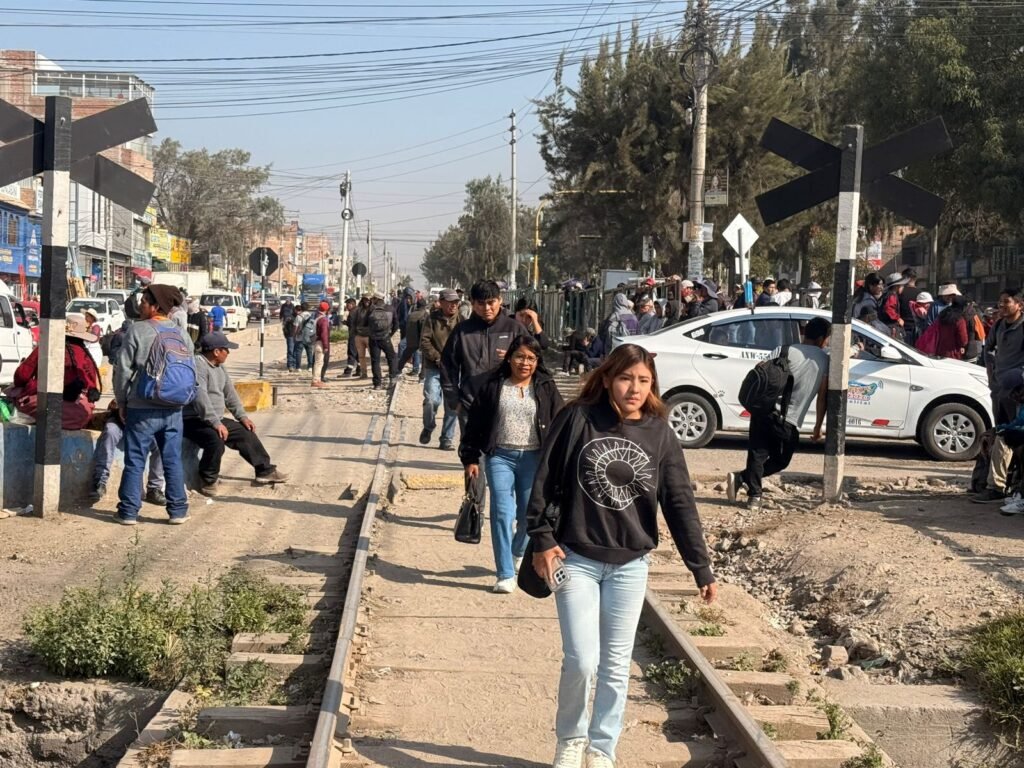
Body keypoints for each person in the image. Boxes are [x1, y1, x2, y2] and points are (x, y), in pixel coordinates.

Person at [526, 344, 716, 768]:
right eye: (626, 378)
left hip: (631, 565)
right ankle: (570, 739)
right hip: (575, 558)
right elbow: (544, 480)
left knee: (615, 665)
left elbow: (679, 502)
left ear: (653, 385)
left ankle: (602, 748)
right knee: (581, 660)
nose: (634, 389)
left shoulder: (660, 433)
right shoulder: (578, 418)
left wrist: (700, 566)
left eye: (644, 381)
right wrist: (541, 538)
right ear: (608, 378)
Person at [460, 335, 565, 593]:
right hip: (500, 457)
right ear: (509, 358)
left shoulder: (545, 386)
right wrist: (471, 457)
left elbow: (560, 422)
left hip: (534, 459)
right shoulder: (493, 385)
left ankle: (518, 551)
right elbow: (475, 423)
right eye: (519, 357)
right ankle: (505, 573)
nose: (524, 363)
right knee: (502, 513)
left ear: (537, 361)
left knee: (530, 516)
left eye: (531, 358)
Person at [726, 317, 831, 512]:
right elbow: (822, 397)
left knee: (758, 453)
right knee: (781, 459)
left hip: (763, 408)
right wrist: (818, 427)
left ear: (805, 334)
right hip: (787, 419)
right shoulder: (825, 360)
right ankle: (743, 478)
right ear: (822, 338)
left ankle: (754, 497)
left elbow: (760, 371)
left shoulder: (784, 350)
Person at [112, 284, 192, 525]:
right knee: (172, 460)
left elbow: (123, 370)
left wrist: (122, 401)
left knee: (135, 460)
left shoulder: (138, 330)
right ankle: (178, 511)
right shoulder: (181, 333)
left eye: (144, 301)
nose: (140, 305)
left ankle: (128, 512)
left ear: (156, 306)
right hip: (174, 408)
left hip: (142, 407)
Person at [183, 331, 288, 496]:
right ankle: (208, 480)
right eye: (226, 349)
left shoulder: (219, 367)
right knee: (215, 440)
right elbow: (200, 398)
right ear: (216, 351)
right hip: (194, 419)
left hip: (214, 419)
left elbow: (230, 394)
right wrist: (216, 423)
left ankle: (264, 470)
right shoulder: (198, 366)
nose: (228, 353)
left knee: (245, 432)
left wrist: (242, 416)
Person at [441, 279, 530, 429]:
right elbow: (448, 365)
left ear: (500, 300)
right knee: (472, 445)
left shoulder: (515, 329)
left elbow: (534, 362)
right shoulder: (462, 331)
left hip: (508, 406)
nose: (487, 308)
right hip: (470, 406)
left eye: (491, 302)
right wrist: (454, 399)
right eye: (481, 303)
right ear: (472, 303)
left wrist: (514, 357)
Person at [6, 313, 102, 430]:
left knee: (15, 393)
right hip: (79, 416)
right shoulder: (86, 356)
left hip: (46, 410)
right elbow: (93, 390)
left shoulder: (46, 348)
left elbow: (21, 376)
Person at [975, 289, 1024, 503]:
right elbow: (988, 351)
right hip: (1000, 392)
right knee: (1000, 434)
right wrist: (992, 377)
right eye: (1000, 302)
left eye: (1007, 302)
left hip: (1018, 394)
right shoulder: (998, 326)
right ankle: (997, 485)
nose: (1002, 306)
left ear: (1019, 305)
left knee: (1016, 438)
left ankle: (1011, 486)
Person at [91, 400, 165, 505]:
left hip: (143, 420)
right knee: (110, 432)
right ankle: (99, 481)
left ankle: (154, 489)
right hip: (120, 418)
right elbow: (115, 402)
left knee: (160, 442)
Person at [420, 288, 460, 450]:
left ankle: (446, 438)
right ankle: (428, 427)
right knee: (431, 400)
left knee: (452, 406)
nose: (453, 305)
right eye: (450, 302)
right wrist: (437, 357)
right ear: (441, 302)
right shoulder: (431, 319)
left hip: (454, 369)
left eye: (456, 302)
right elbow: (424, 341)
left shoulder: (462, 321)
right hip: (434, 367)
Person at [367, 295, 398, 391]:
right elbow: (396, 325)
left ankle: (377, 384)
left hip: (373, 339)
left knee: (375, 361)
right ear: (383, 299)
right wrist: (390, 334)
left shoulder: (371, 309)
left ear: (375, 299)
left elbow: (365, 324)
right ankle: (392, 379)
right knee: (392, 357)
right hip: (385, 338)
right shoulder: (391, 308)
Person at [398, 297, 428, 376]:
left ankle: (398, 370)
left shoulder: (411, 314)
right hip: (421, 339)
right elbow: (423, 328)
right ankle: (422, 375)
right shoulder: (425, 315)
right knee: (424, 358)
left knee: (405, 355)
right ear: (425, 306)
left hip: (411, 339)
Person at [879, 272, 909, 337]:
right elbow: (888, 309)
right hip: (890, 327)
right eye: (902, 285)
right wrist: (898, 319)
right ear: (896, 286)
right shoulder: (892, 296)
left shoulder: (887, 295)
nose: (903, 287)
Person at [351, 294, 374, 379]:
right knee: (361, 356)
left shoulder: (373, 310)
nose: (367, 301)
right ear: (362, 300)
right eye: (365, 300)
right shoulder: (358, 310)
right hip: (359, 336)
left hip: (370, 337)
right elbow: (353, 323)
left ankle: (376, 373)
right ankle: (364, 373)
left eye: (368, 300)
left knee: (373, 356)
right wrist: (353, 334)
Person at [312, 300, 331, 388]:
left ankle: (317, 379)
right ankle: (316, 380)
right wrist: (326, 346)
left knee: (317, 362)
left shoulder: (317, 317)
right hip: (321, 343)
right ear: (326, 310)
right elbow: (324, 334)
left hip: (316, 341)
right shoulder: (324, 320)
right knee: (319, 362)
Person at [293, 302, 317, 372]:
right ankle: (310, 366)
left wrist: (294, 336)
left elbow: (295, 328)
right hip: (309, 337)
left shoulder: (299, 317)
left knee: (298, 352)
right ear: (308, 308)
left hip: (300, 338)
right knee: (309, 352)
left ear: (301, 308)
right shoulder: (311, 316)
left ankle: (298, 367)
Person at [341, 297, 360, 377]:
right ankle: (359, 370)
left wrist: (346, 322)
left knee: (351, 352)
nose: (346, 306)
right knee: (358, 353)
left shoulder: (352, 313)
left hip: (353, 335)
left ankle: (348, 371)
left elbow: (352, 326)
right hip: (359, 335)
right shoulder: (359, 311)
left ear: (352, 304)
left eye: (347, 304)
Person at [280, 298, 297, 372]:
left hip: (295, 335)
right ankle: (290, 365)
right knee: (290, 349)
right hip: (290, 334)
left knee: (294, 350)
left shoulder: (296, 316)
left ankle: (294, 364)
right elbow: (284, 328)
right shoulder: (283, 306)